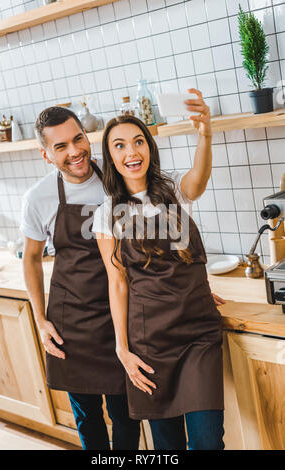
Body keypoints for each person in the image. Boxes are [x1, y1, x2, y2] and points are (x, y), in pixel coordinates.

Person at [92, 89, 225, 450]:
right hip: (150, 341)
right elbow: (117, 282)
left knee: (208, 442)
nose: (131, 152)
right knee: (167, 446)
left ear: (149, 147)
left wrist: (205, 132)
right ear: (111, 157)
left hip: (198, 334)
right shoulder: (107, 214)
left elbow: (199, 177)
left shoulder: (174, 193)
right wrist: (122, 348)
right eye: (119, 146)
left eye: (138, 142)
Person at [20, 106, 140, 450]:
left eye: (78, 138)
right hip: (70, 321)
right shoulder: (38, 198)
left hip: (120, 317)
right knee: (87, 418)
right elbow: (30, 259)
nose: (75, 151)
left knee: (127, 414)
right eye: (61, 147)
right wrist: (40, 320)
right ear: (46, 154)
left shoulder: (117, 181)